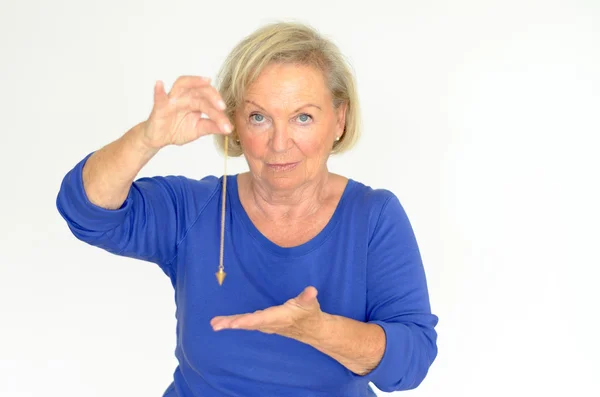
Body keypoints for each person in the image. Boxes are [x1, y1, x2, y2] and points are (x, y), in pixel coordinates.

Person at [56, 22, 438, 396]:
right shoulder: (195, 209)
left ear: (339, 119)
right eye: (259, 117)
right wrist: (146, 139)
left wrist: (317, 330)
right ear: (236, 123)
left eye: (303, 117)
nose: (280, 142)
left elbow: (411, 362)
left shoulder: (374, 217)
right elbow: (86, 211)